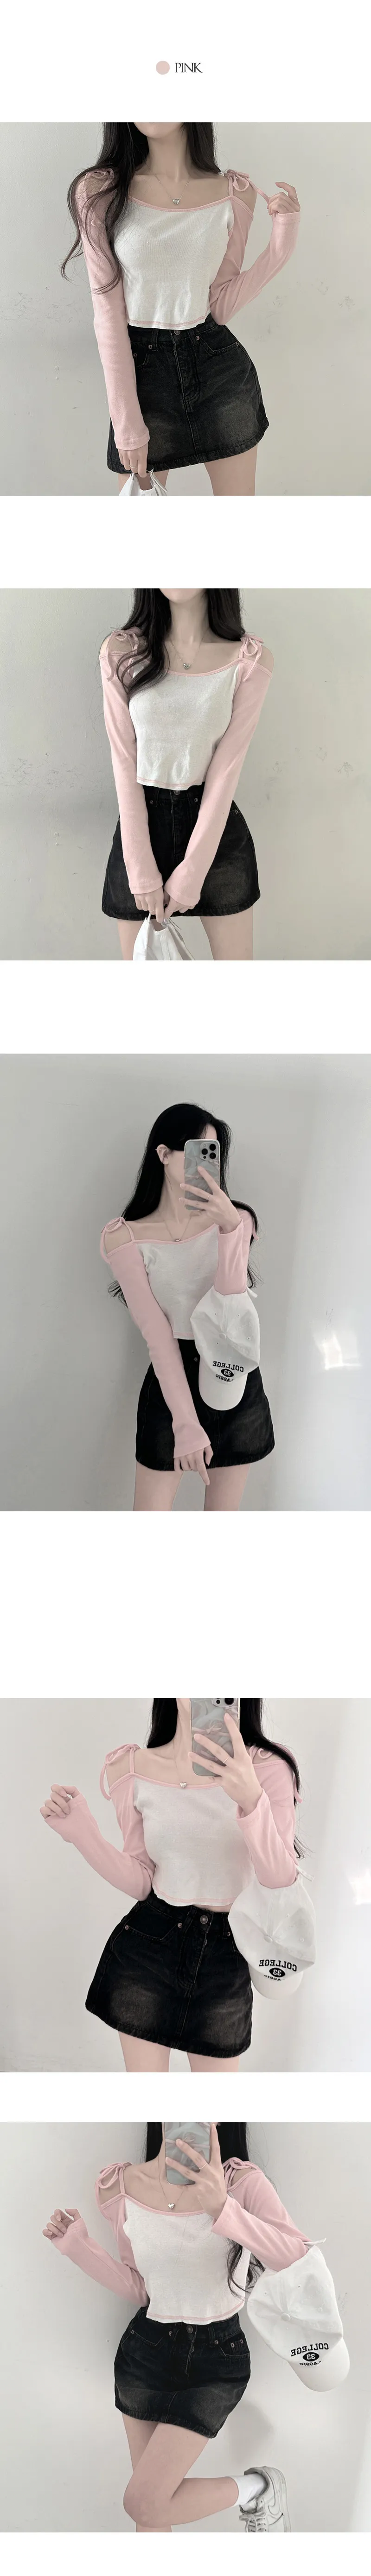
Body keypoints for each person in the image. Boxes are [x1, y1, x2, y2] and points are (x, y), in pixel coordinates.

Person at [44, 2119, 349, 2531]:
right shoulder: (118, 2188)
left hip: (216, 2359)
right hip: (145, 2353)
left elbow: (297, 2259)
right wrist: (78, 2247)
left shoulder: (241, 2182)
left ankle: (258, 2487)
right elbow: (143, 2288)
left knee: (145, 2503)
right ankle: (257, 2490)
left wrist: (224, 2209)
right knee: (151, 2515)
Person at [41, 1698, 301, 2071]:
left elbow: (280, 1880)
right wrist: (83, 1835)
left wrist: (251, 1798)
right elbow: (143, 1881)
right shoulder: (130, 1769)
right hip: (148, 1951)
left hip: (226, 1958)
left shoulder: (268, 1767)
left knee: (214, 2104)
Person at [63, 122, 300, 495]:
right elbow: (108, 315)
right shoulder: (100, 191)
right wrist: (127, 424)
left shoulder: (235, 194)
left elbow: (219, 307)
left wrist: (281, 245)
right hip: (144, 379)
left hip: (220, 374)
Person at [100, 1102, 275, 1512]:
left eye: (213, 1152)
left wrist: (229, 1229)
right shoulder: (124, 1237)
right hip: (171, 1379)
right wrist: (185, 1422)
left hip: (231, 1369)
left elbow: (230, 1309)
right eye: (198, 1149)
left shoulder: (238, 1220)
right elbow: (157, 1335)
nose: (206, 1163)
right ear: (164, 1154)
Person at [100, 587, 273, 960]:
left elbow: (226, 772)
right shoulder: (122, 652)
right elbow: (124, 760)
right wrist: (140, 866)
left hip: (216, 838)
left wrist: (193, 871)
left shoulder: (248, 661)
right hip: (140, 833)